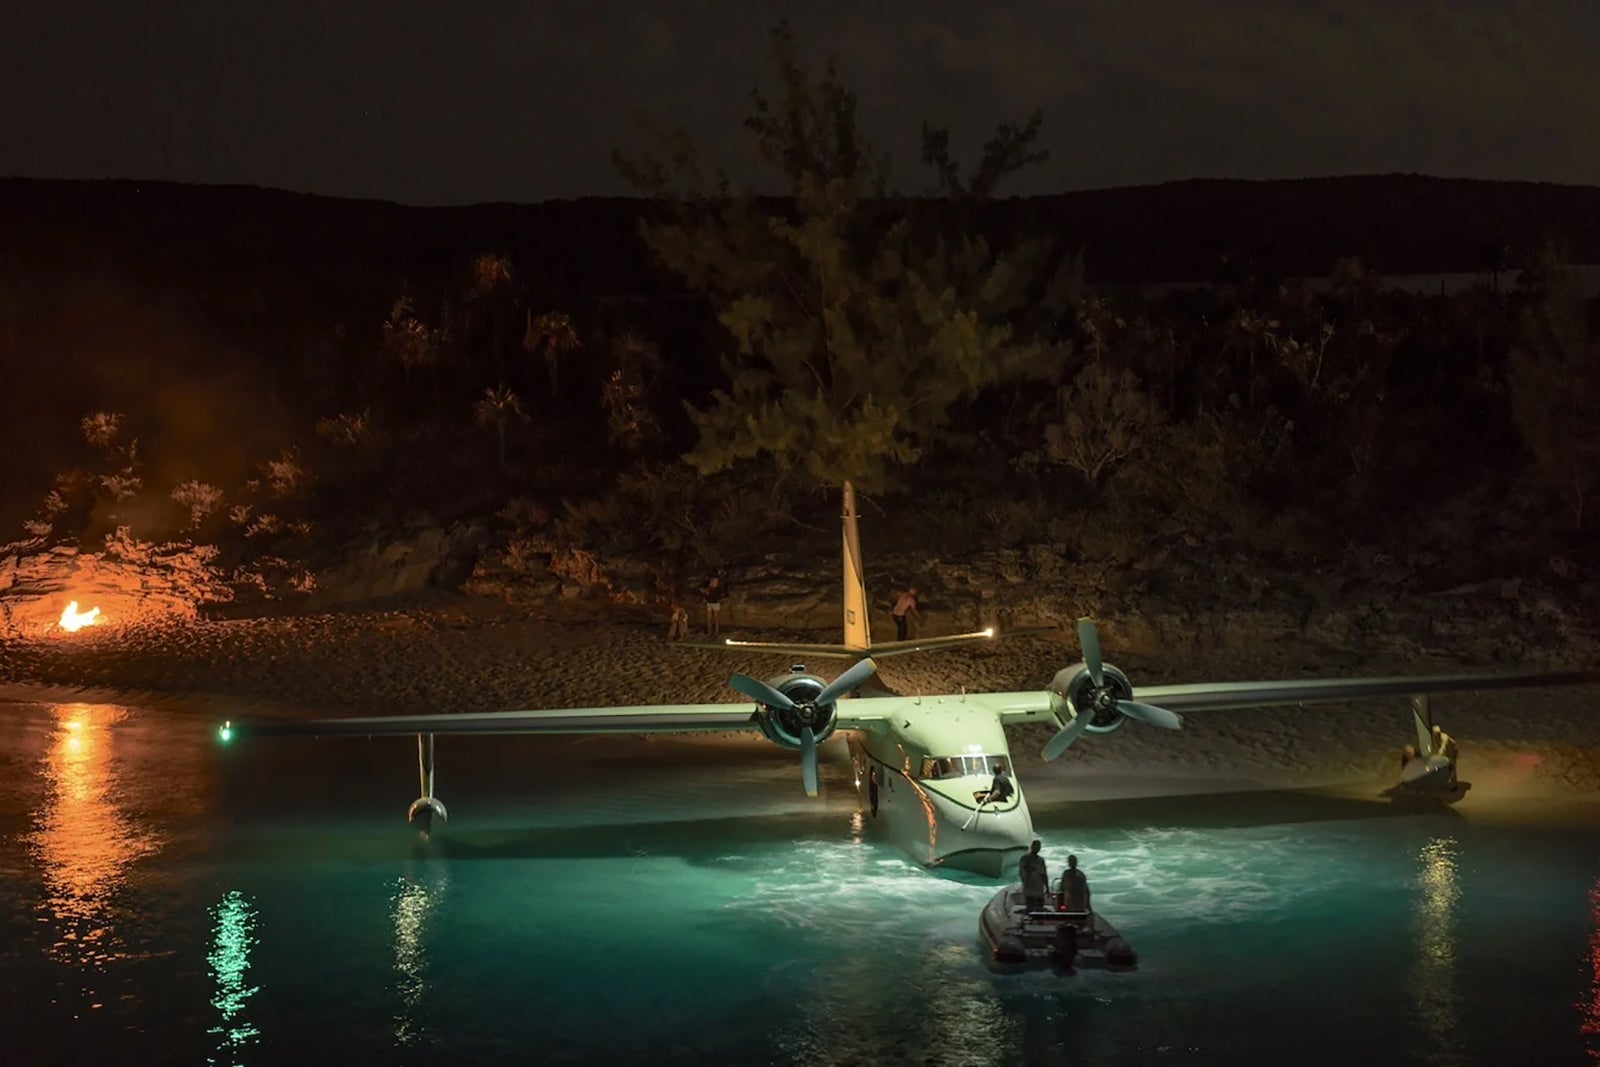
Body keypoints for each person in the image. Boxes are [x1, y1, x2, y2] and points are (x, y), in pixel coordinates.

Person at [1019, 839, 1049, 913]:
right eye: (1035, 846)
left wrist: (1047, 887)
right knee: (1030, 908)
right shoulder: (1025, 858)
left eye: (1038, 847)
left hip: (1038, 889)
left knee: (1039, 909)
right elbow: (1023, 871)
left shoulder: (1041, 860)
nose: (1037, 848)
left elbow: (1044, 874)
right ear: (1031, 847)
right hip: (1029, 887)